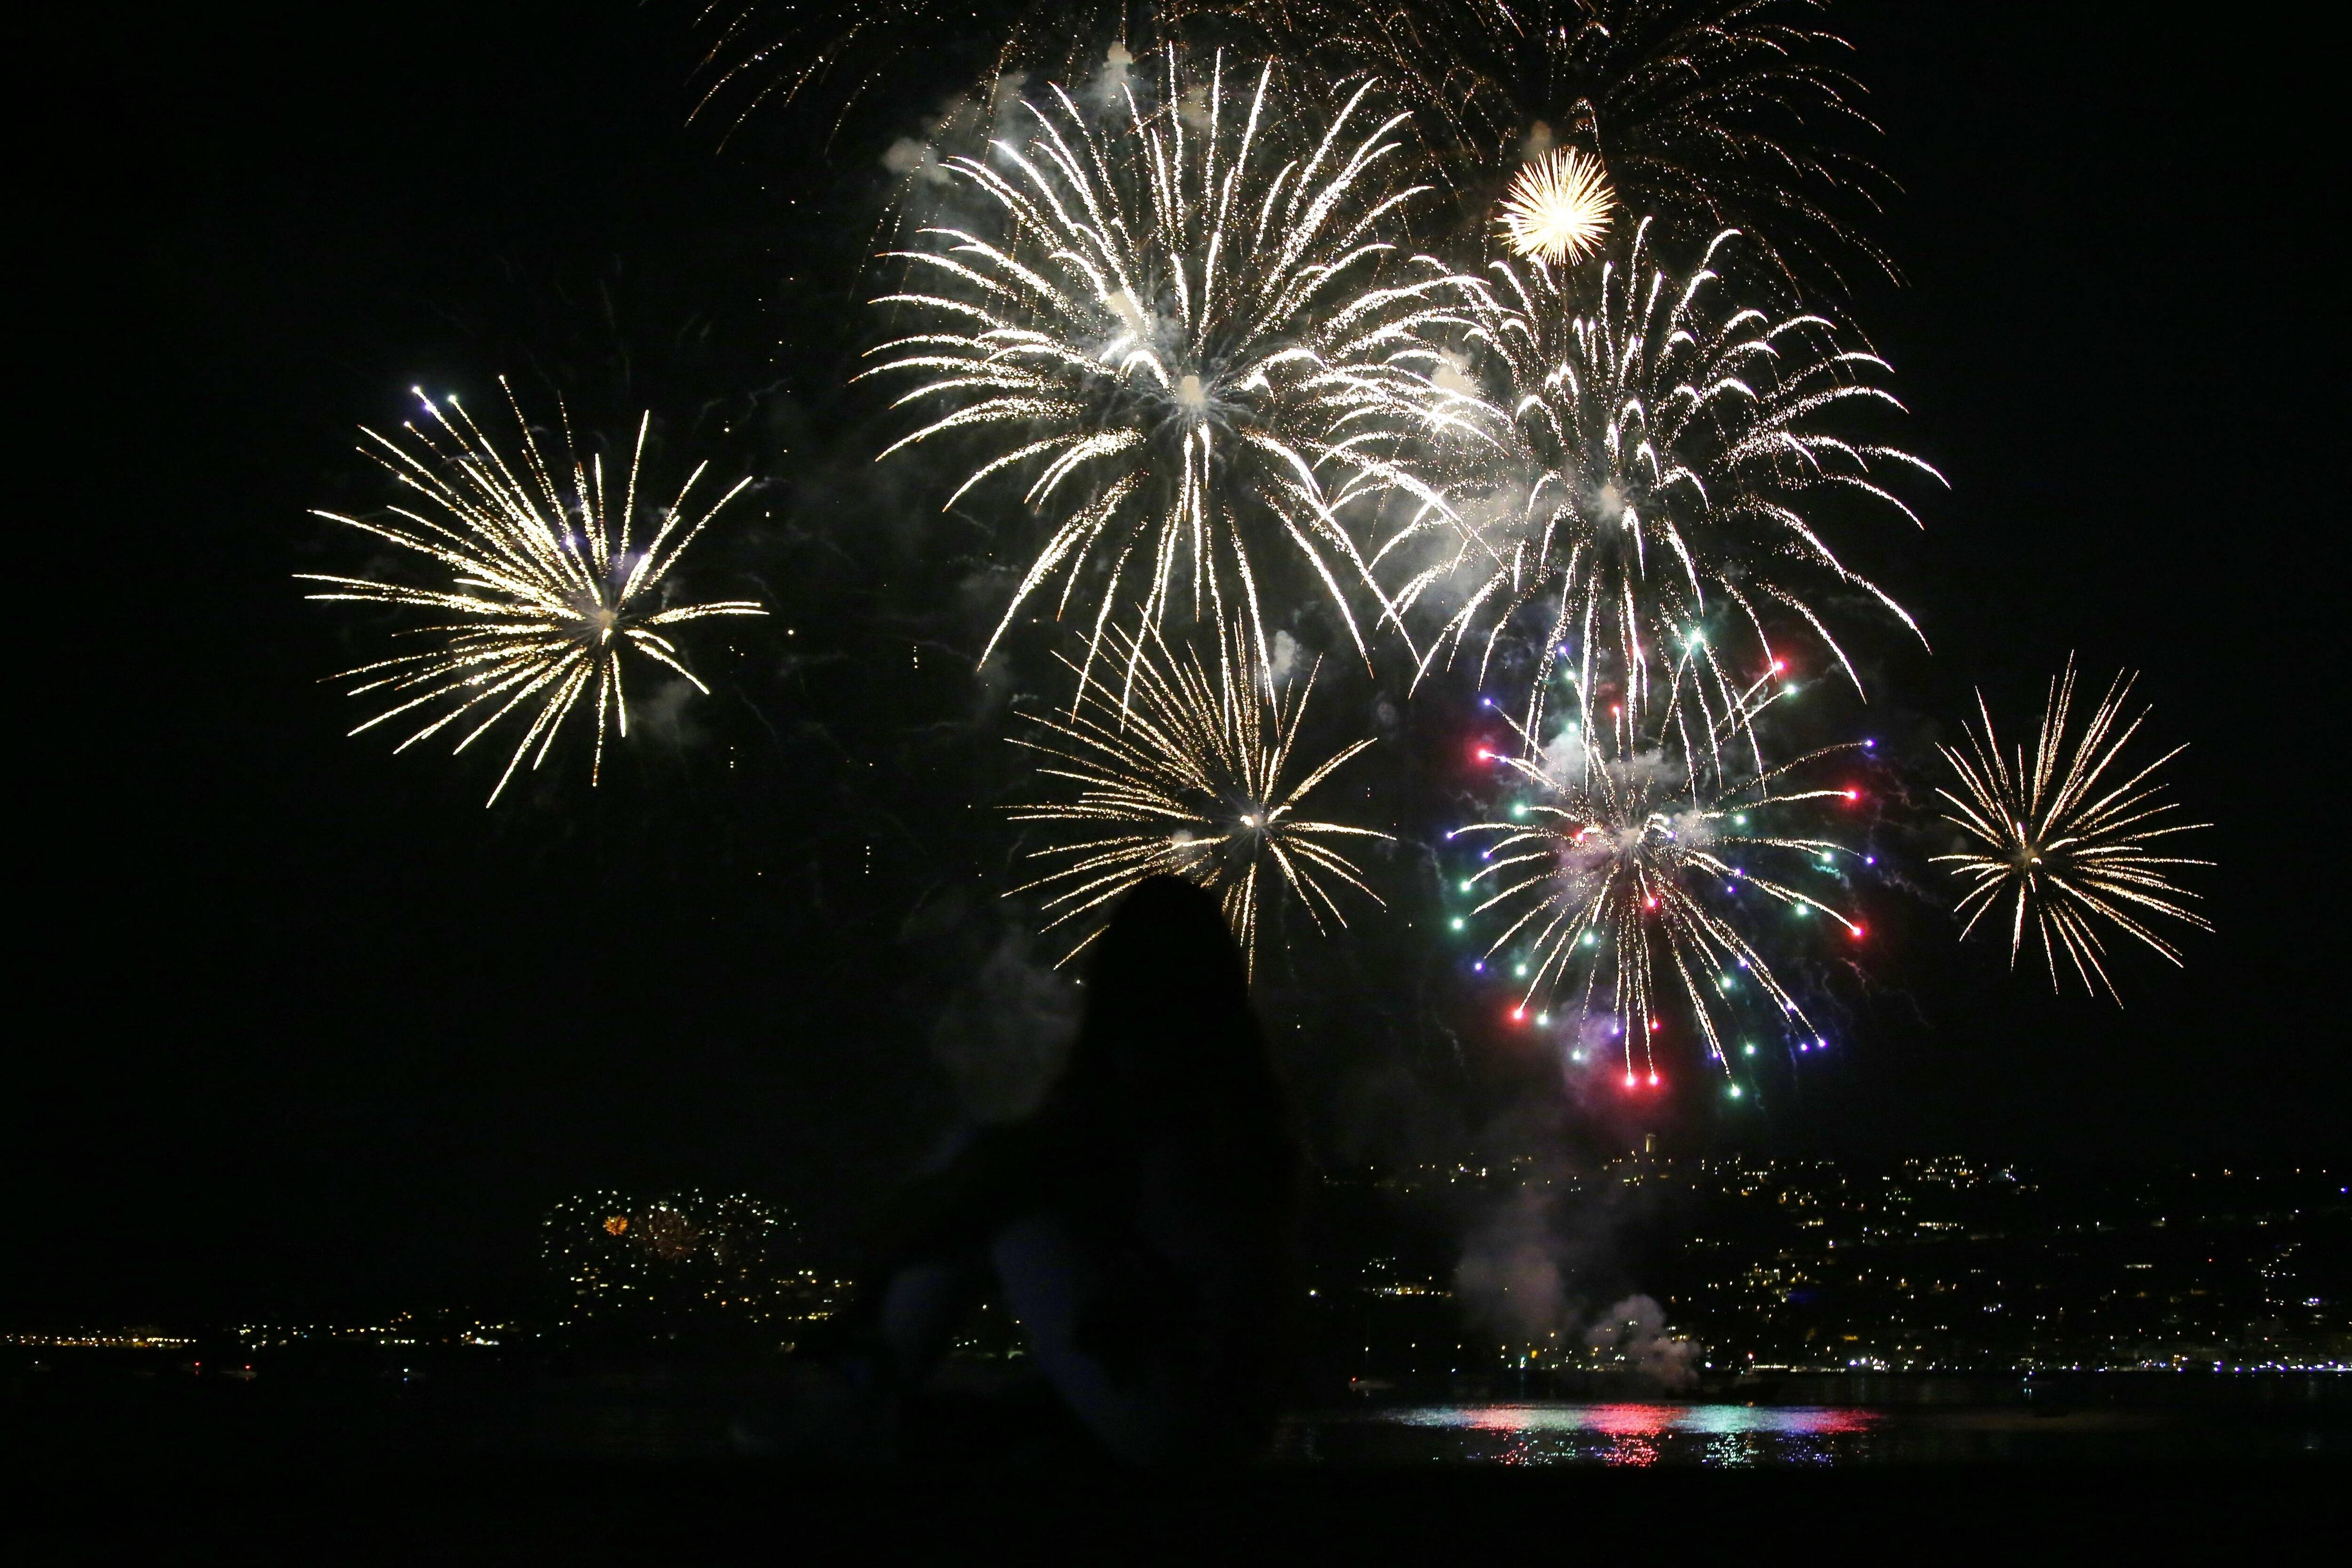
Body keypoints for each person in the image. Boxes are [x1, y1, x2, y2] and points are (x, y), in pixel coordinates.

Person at [857, 876, 1306, 1465]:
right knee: (998, 1180)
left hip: (1176, 1419)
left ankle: (853, 1395)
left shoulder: (1134, 1100)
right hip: (1227, 1420)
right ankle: (862, 1390)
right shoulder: (1241, 1108)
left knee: (996, 1179)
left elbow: (959, 1200)